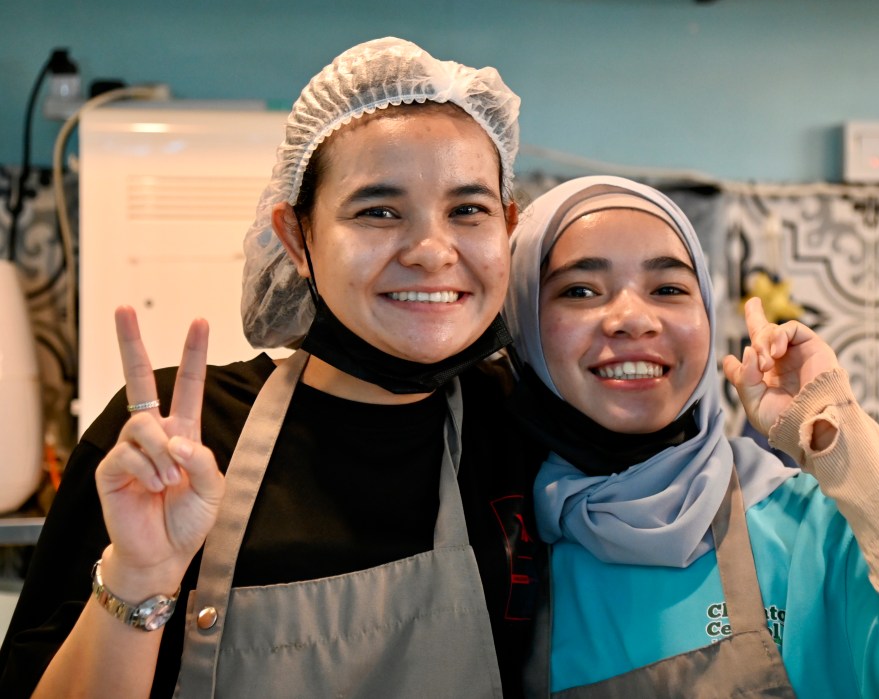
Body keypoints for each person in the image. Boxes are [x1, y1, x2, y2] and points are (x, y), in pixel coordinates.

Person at [0, 36, 544, 698]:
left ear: (507, 226)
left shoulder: (523, 423)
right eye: (377, 210)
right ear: (297, 236)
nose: (432, 251)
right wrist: (138, 575)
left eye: (468, 210)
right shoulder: (179, 438)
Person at [503, 174, 879, 697]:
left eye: (668, 289)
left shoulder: (810, 528)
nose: (634, 319)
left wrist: (840, 439)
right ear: (522, 321)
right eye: (580, 290)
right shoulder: (501, 545)